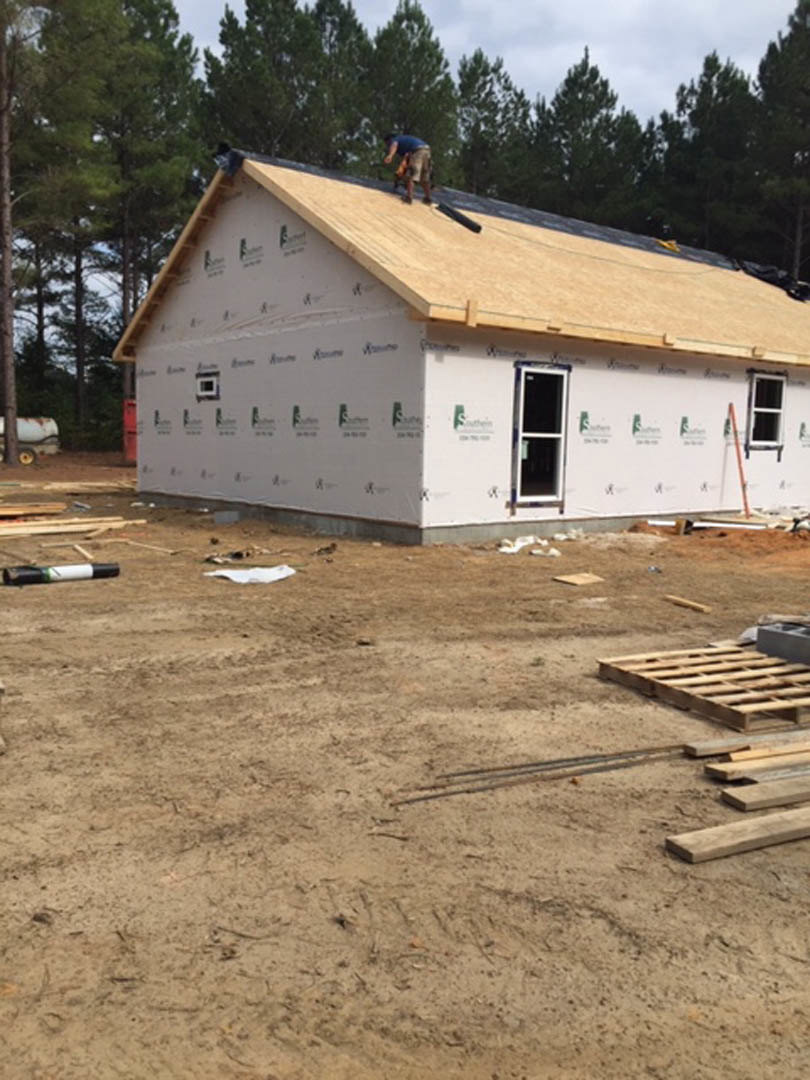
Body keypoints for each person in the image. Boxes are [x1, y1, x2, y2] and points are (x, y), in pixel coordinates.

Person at [383, 133, 432, 205]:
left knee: (411, 174)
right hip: (427, 150)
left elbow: (394, 145)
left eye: (387, 143)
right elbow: (406, 159)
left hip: (417, 151)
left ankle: (409, 198)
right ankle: (428, 199)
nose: (387, 146)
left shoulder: (396, 139)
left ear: (389, 140)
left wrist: (390, 155)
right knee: (424, 177)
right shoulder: (405, 141)